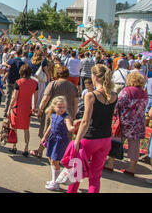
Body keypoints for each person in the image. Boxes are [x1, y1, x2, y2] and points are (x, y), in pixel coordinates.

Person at [68, 64, 117, 193]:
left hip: (90, 138)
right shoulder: (114, 95)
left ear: (94, 77)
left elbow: (86, 121)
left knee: (76, 174)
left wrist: (77, 140)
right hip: (105, 138)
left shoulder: (91, 95)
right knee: (95, 177)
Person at [104, 71, 148, 176]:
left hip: (125, 122)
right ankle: (131, 168)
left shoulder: (126, 90)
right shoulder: (144, 93)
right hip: (138, 123)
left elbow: (118, 104)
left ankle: (110, 164)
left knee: (116, 142)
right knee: (134, 145)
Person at [31, 66, 79, 158]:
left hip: (53, 113)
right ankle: (64, 155)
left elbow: (45, 99)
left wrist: (40, 109)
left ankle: (40, 151)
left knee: (48, 132)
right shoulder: (73, 87)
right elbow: (75, 103)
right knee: (65, 136)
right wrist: (73, 115)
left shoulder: (53, 84)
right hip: (67, 115)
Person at [41, 96, 75, 191]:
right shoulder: (53, 115)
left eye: (64, 107)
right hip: (53, 139)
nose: (62, 109)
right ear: (54, 107)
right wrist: (45, 136)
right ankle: (54, 180)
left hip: (61, 141)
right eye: (59, 107)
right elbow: (50, 126)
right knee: (52, 159)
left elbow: (70, 128)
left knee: (55, 161)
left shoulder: (66, 117)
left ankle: (56, 183)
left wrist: (75, 126)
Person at [7, 64, 38, 156]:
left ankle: (14, 146)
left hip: (17, 107)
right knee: (26, 128)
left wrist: (10, 106)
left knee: (14, 127)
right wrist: (34, 107)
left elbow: (14, 96)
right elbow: (36, 97)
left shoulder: (18, 82)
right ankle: (26, 148)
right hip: (27, 108)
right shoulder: (34, 83)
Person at [3, 49, 25, 118]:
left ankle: (5, 111)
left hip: (9, 80)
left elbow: (4, 63)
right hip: (17, 81)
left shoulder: (11, 60)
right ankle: (13, 111)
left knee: (8, 96)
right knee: (15, 97)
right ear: (21, 54)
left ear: (15, 53)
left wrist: (7, 65)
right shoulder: (21, 62)